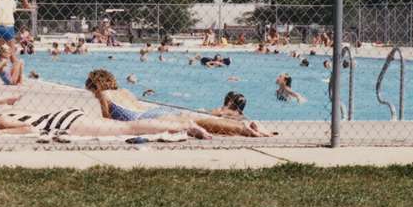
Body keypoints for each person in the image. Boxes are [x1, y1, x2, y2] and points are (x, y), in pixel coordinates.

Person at [84, 69, 274, 137]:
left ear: (95, 86)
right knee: (201, 120)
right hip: (156, 111)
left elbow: (108, 121)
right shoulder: (124, 91)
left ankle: (243, 129)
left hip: (147, 118)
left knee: (200, 123)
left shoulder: (104, 95)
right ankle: (243, 125)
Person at [0, 106, 211, 140]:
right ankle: (178, 121)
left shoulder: (0, 120)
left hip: (66, 121)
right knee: (125, 128)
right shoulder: (8, 112)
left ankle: (183, 124)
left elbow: (29, 128)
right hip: (67, 116)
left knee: (127, 129)